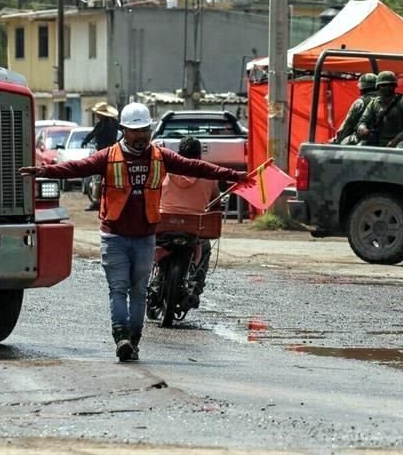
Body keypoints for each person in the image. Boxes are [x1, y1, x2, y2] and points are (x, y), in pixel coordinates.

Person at [19, 102, 245, 363]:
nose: (141, 137)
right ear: (124, 130)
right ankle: (121, 338)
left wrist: (232, 175)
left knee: (138, 291)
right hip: (114, 236)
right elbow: (76, 168)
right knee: (118, 290)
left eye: (145, 131)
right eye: (135, 131)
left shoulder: (161, 156)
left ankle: (133, 341)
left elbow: (196, 167)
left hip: (146, 237)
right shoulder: (108, 156)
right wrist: (45, 171)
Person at [158, 136, 220, 300]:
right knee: (205, 247)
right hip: (194, 228)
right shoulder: (209, 175)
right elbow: (215, 204)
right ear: (200, 156)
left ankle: (153, 278)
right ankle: (196, 287)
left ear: (178, 154)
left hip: (164, 225)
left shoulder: (165, 171)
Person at [356, 71, 403, 148]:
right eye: (383, 85)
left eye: (390, 85)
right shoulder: (374, 103)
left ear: (394, 86)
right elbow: (363, 120)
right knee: (360, 148)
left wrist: (395, 140)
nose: (387, 87)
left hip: (400, 140)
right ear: (378, 87)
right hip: (378, 139)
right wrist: (363, 128)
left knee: (400, 151)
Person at [81, 102, 120, 211]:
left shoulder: (101, 124)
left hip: (102, 153)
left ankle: (96, 202)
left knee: (97, 178)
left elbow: (92, 134)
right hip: (113, 152)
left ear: (102, 114)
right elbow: (125, 131)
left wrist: (84, 141)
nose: (97, 115)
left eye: (98, 113)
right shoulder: (115, 123)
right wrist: (119, 142)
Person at [333, 73, 378, 145]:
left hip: (365, 141)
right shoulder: (388, 100)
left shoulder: (360, 102)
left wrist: (336, 141)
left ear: (362, 88)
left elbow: (347, 126)